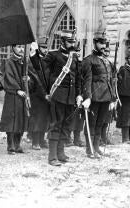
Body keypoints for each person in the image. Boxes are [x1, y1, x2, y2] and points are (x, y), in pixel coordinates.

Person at [31, 30, 83, 166]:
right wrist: (34, 55)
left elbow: (77, 78)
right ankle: (52, 156)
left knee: (66, 126)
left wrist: (79, 94)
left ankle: (61, 153)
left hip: (70, 98)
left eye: (73, 42)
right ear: (62, 42)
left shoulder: (75, 57)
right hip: (58, 96)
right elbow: (40, 67)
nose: (72, 44)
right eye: (69, 42)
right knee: (56, 125)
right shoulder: (54, 55)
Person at [81, 30, 116, 158]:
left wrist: (113, 98)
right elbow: (87, 80)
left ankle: (96, 147)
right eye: (101, 43)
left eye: (104, 43)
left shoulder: (105, 61)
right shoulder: (88, 60)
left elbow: (109, 80)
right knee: (91, 123)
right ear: (94, 43)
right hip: (95, 98)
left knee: (100, 123)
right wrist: (88, 97)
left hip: (106, 97)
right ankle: (90, 149)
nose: (103, 46)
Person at [0, 45, 30, 155]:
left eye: (22, 47)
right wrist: (17, 90)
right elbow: (8, 78)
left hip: (23, 95)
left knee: (21, 119)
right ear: (13, 48)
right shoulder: (8, 62)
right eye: (18, 47)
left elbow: (31, 78)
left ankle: (17, 144)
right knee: (11, 120)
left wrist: (28, 80)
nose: (21, 49)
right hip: (12, 95)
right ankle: (10, 145)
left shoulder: (26, 62)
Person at [27, 37, 50, 150]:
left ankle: (42, 139)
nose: (45, 50)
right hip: (36, 94)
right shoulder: (32, 61)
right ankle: (35, 141)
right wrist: (44, 93)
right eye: (43, 47)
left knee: (45, 117)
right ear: (37, 48)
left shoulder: (46, 60)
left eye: (46, 48)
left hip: (46, 94)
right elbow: (37, 79)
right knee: (37, 117)